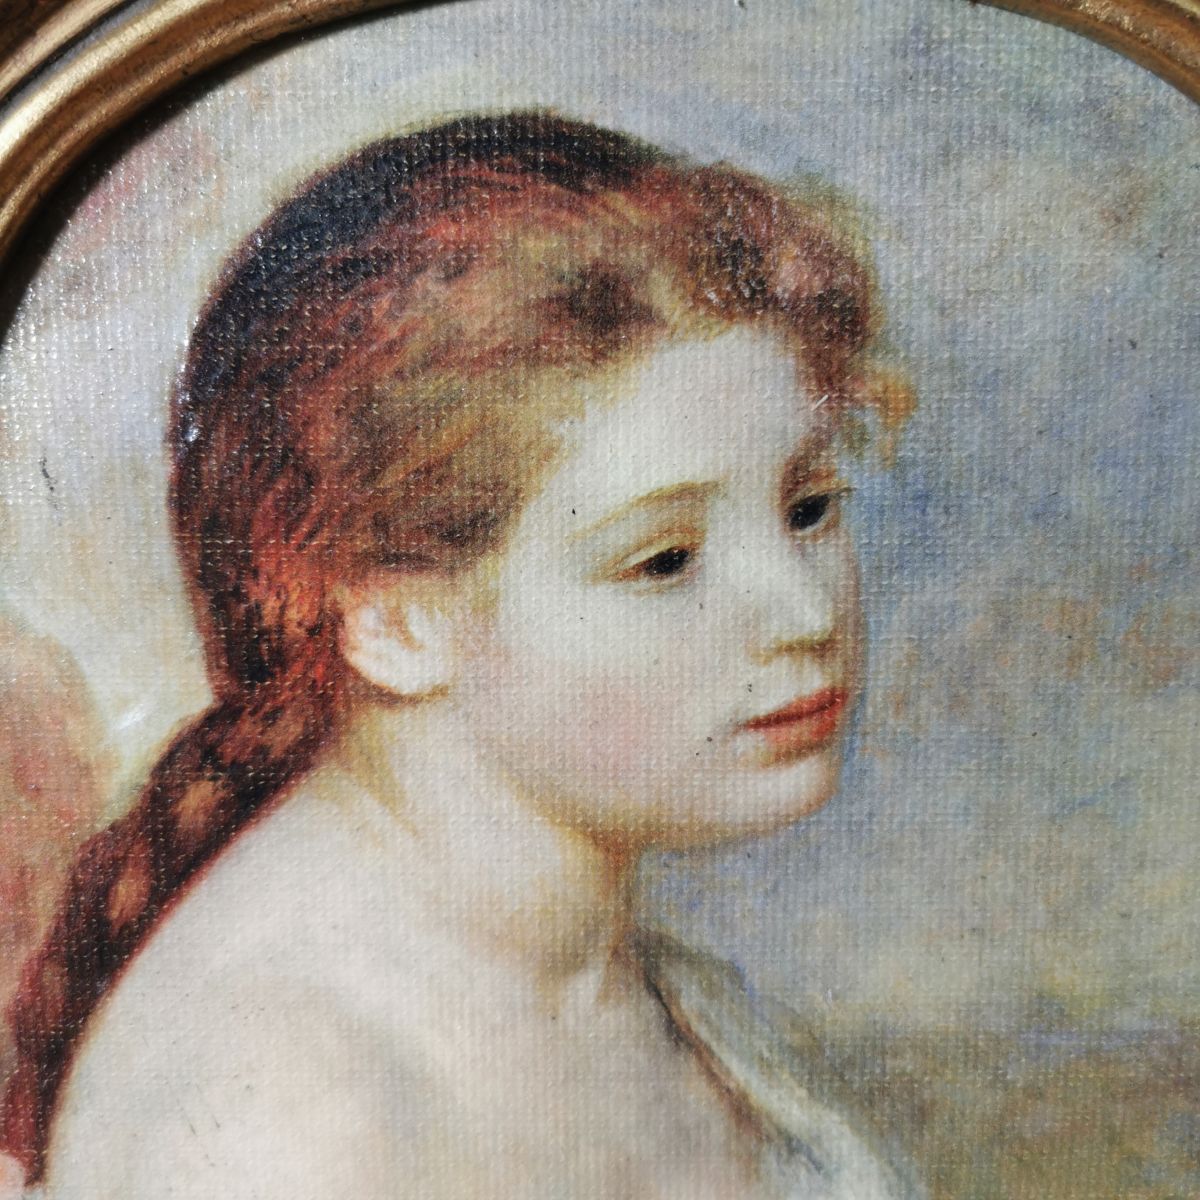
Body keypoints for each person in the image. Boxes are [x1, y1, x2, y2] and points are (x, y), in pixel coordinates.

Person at [0, 111, 917, 1199]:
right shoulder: (285, 1120)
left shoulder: (610, 977)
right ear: (393, 622)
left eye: (810, 506)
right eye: (664, 560)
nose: (805, 609)